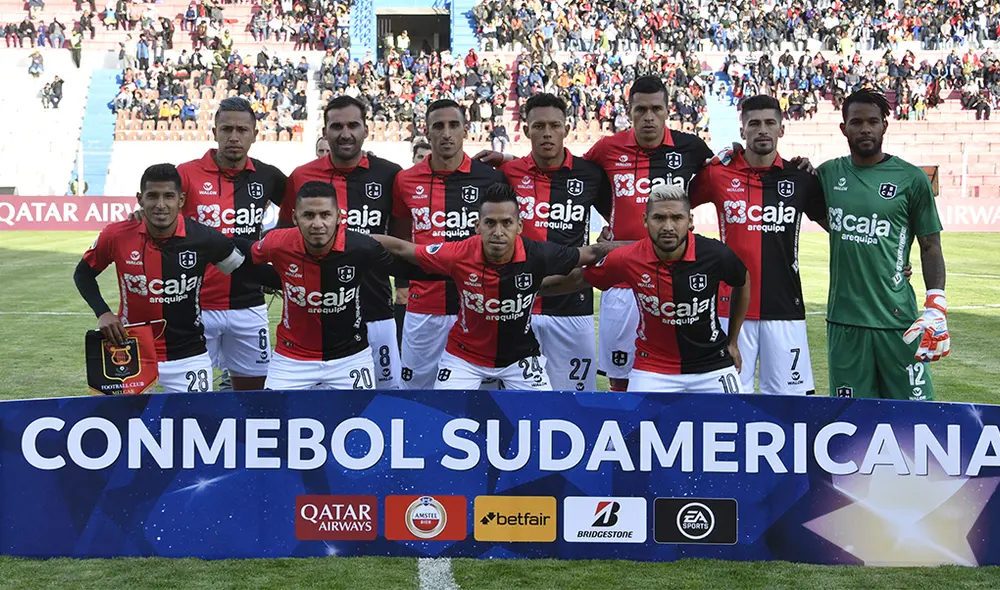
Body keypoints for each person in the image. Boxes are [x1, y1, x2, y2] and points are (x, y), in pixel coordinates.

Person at [374, 183, 621, 390]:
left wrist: (645, 249)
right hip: (463, 357)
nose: (498, 232)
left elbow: (591, 252)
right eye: (490, 223)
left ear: (519, 226)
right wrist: (349, 240)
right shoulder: (457, 253)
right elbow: (403, 248)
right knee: (444, 415)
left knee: (543, 419)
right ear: (477, 226)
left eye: (506, 223)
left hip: (520, 358)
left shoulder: (539, 254)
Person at [73, 164, 266, 393]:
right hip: (129, 349)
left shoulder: (204, 238)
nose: (161, 205)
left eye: (169, 196)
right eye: (152, 196)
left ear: (181, 200)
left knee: (198, 422)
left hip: (189, 354)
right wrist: (103, 312)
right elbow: (83, 274)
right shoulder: (116, 235)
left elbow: (244, 269)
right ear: (140, 199)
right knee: (126, 424)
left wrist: (289, 281)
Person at [540, 185, 751, 393]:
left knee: (736, 423)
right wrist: (527, 289)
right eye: (659, 218)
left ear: (690, 221)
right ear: (645, 221)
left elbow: (742, 281)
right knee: (638, 426)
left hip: (713, 365)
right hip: (653, 368)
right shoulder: (628, 257)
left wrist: (733, 341)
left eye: (677, 218)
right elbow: (579, 279)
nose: (668, 226)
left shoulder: (716, 255)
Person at [689, 95, 826, 395]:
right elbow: (676, 204)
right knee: (725, 405)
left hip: (785, 310)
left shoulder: (800, 178)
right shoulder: (717, 174)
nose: (762, 130)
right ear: (742, 131)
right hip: (729, 310)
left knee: (791, 406)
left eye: (769, 123)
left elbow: (838, 227)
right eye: (754, 124)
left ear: (781, 129)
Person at [817, 89, 948, 400]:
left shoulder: (912, 179)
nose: (865, 129)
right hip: (844, 320)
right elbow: (819, 214)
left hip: (897, 319)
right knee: (850, 419)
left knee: (915, 414)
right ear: (843, 128)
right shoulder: (827, 174)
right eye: (856, 122)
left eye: (873, 121)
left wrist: (936, 304)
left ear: (884, 126)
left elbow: (930, 245)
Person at [278, 96, 404, 389]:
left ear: (366, 130)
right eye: (336, 126)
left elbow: (400, 239)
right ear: (325, 131)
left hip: (377, 310)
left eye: (353, 125)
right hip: (317, 320)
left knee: (387, 397)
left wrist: (405, 288)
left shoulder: (389, 174)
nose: (345, 133)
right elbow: (284, 238)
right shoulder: (301, 176)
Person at [252, 182, 430, 390]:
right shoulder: (276, 242)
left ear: (339, 216)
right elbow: (244, 261)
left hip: (351, 358)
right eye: (308, 215)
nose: (317, 223)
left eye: (325, 215)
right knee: (273, 419)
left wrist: (455, 271)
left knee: (361, 420)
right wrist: (278, 279)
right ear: (294, 217)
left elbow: (406, 267)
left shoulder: (361, 246)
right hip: (291, 359)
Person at [391, 99, 508, 390]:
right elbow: (402, 239)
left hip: (479, 307)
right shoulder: (405, 180)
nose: (446, 133)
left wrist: (508, 159)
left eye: (453, 125)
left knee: (481, 398)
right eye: (438, 126)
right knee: (416, 395)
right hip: (424, 308)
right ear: (426, 133)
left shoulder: (491, 178)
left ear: (465, 130)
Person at [497, 93, 611, 391]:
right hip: (518, 306)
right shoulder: (509, 174)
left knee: (576, 402)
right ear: (526, 130)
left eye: (554, 125)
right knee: (514, 405)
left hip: (573, 306)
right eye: (538, 126)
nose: (547, 133)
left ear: (566, 129)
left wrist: (611, 232)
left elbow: (618, 213)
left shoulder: (590, 174)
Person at [175, 97, 288, 391]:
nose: (234, 137)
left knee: (254, 396)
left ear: (254, 134)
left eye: (241, 130)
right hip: (196, 305)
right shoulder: (185, 174)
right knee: (192, 397)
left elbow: (300, 214)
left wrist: (277, 247)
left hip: (249, 304)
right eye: (226, 129)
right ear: (214, 132)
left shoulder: (268, 176)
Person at [394, 140, 434, 348]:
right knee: (402, 296)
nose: (424, 160)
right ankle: (402, 344)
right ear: (413, 158)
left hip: (435, 262)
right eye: (420, 156)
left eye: (428, 155)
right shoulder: (405, 181)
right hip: (408, 257)